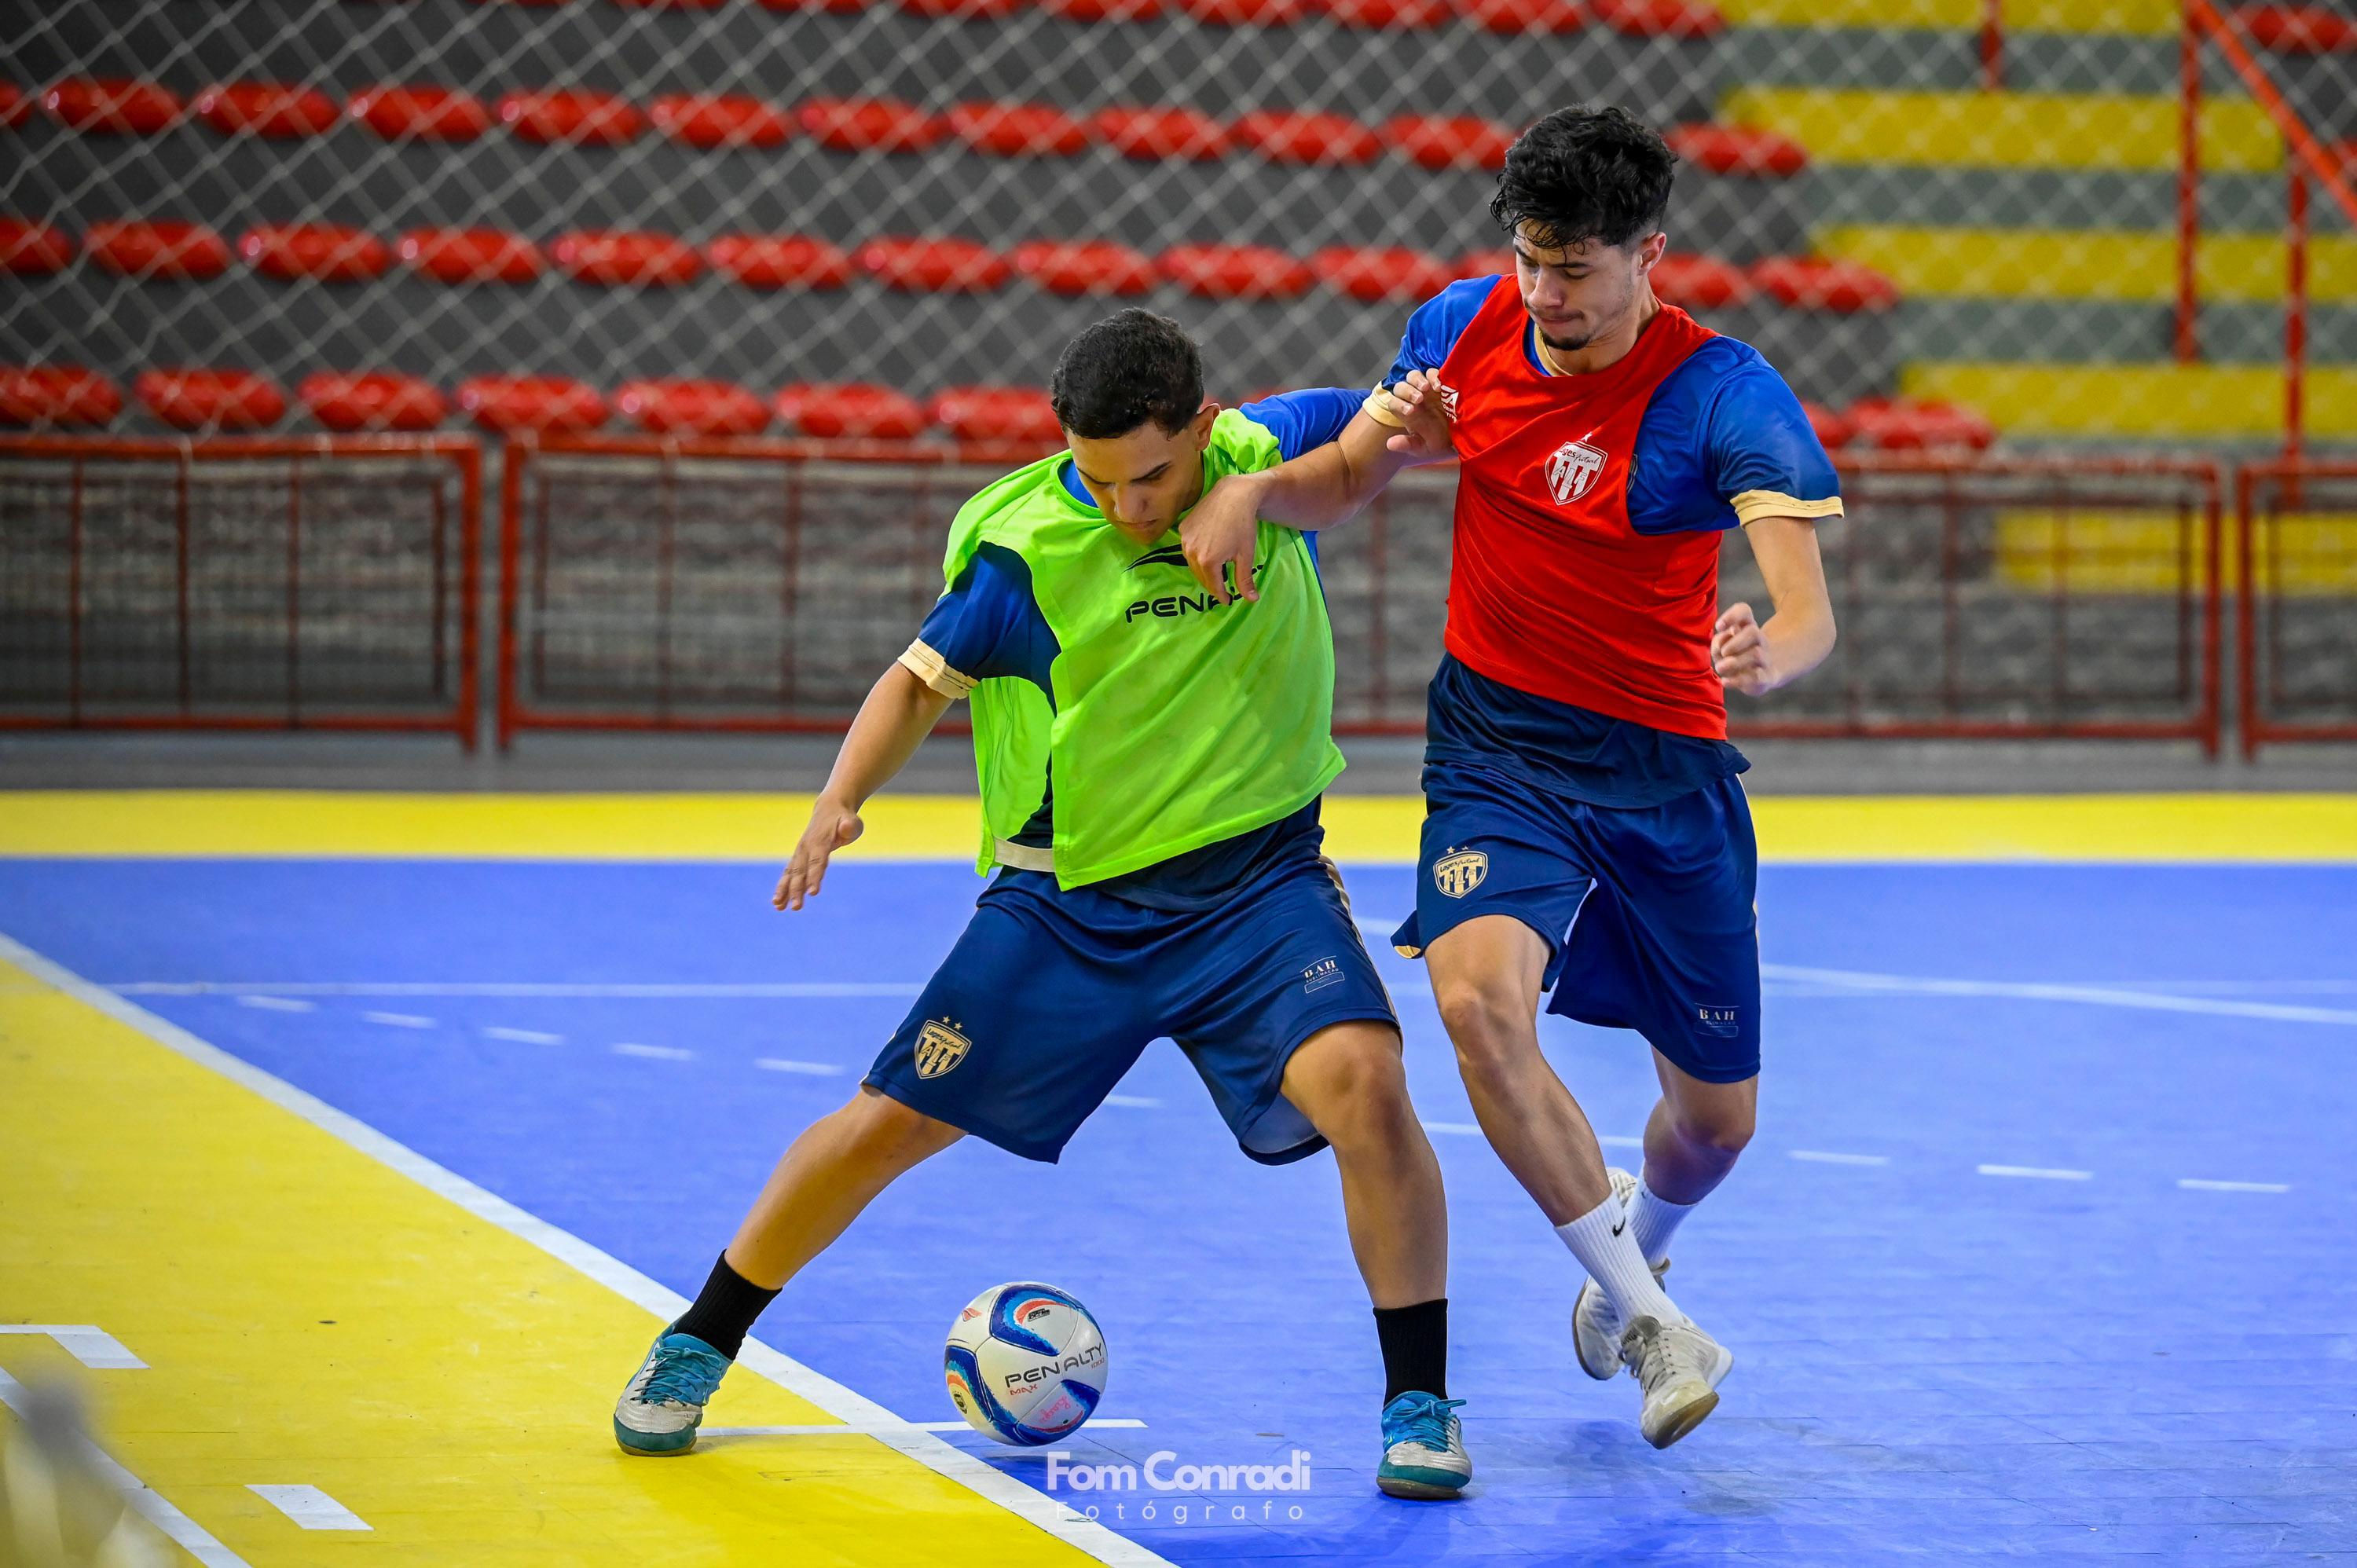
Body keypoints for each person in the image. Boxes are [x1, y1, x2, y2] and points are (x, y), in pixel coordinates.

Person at [611, 309, 1477, 1499]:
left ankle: (1419, 1402)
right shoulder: (1023, 549)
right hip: (1067, 907)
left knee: (1369, 1092)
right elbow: (918, 685)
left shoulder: (1263, 453)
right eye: (1099, 475)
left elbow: (1391, 428)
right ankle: (698, 1339)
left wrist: (1331, 458)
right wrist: (838, 799)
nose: (1128, 504)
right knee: (887, 1125)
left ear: (1209, 429)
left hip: (1255, 886)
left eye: (1155, 475)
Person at [1178, 105, 1842, 1451]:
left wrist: (1771, 652)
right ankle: (1652, 1320)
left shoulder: (1721, 394)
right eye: (1531, 260)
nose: (1547, 294)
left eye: (1578, 269)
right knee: (1477, 1009)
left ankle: (1645, 1246)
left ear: (1650, 254)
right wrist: (1260, 491)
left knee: (1713, 1127)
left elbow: (1808, 609)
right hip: (1497, 747)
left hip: (1664, 769)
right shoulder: (1462, 329)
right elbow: (1358, 477)